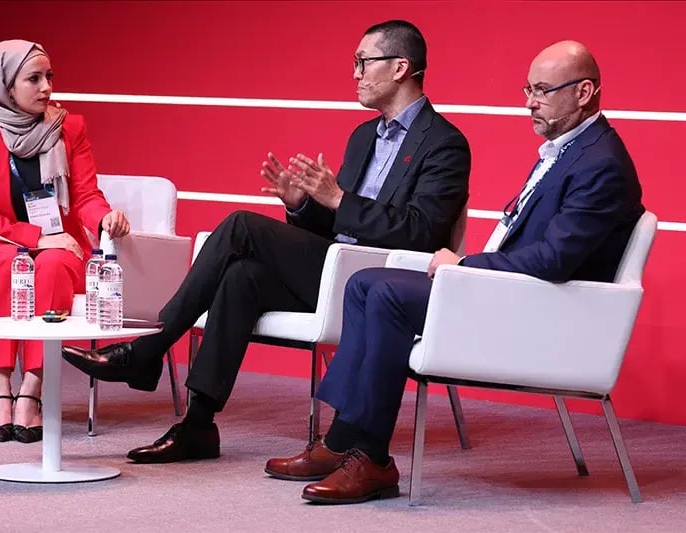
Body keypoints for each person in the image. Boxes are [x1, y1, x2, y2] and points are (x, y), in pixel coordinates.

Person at [62, 20, 471, 463]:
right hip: (336, 267)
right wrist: (303, 207)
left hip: (380, 281)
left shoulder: (444, 144)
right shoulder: (362, 136)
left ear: (399, 68)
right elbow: (335, 228)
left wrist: (337, 198)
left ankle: (151, 347)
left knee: (241, 225)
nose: (354, 73)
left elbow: (421, 232)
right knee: (242, 276)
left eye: (362, 62)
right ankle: (198, 424)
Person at [264, 40, 645, 505]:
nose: (529, 101)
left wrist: (465, 265)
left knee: (386, 295)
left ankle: (373, 459)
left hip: (542, 312)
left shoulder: (601, 164)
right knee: (365, 283)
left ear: (584, 92)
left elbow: (553, 260)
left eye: (543, 91)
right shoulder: (569, 152)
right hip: (513, 292)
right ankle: (345, 439)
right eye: (529, 88)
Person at [0, 40, 130, 443]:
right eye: (34, 78)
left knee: (54, 264)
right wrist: (39, 236)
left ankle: (32, 390)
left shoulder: (69, 128)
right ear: (5, 87)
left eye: (49, 77)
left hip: (59, 250)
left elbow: (87, 198)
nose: (46, 87)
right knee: (11, 262)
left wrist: (104, 218)